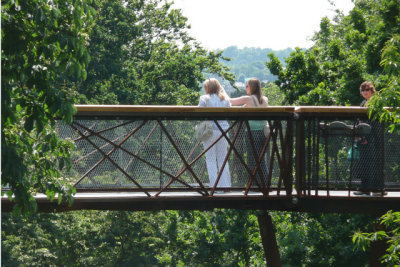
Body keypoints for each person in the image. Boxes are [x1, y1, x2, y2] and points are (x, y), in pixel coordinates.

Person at [229, 78, 270, 189]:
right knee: (262, 160)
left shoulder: (248, 98)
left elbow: (230, 101)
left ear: (251, 87)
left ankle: (254, 186)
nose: (245, 88)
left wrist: (221, 92)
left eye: (247, 86)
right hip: (265, 132)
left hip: (253, 133)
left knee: (252, 160)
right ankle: (264, 184)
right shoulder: (264, 99)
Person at [198, 78, 231, 189]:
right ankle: (225, 186)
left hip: (210, 131)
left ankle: (214, 186)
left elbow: (198, 113)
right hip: (224, 130)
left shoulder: (204, 99)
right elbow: (230, 112)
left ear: (208, 87)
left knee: (210, 158)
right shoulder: (225, 99)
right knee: (222, 158)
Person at [353, 81, 385, 196]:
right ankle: (365, 188)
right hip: (364, 138)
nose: (365, 92)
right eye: (363, 90)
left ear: (372, 91)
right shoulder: (363, 103)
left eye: (367, 90)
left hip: (374, 138)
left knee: (375, 163)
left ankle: (377, 189)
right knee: (364, 162)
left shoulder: (376, 102)